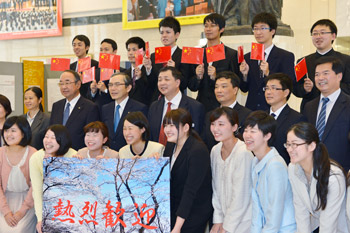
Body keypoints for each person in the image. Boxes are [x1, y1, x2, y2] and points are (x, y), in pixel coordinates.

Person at [287, 122, 349, 232]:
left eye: (295, 144)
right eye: (288, 144)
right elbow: (301, 212)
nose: (290, 149)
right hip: (318, 224)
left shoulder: (333, 177)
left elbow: (328, 225)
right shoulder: (293, 168)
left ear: (311, 146)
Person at [243, 111, 296, 232]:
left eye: (253, 131)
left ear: (267, 136)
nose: (247, 135)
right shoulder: (255, 161)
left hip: (284, 229)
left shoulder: (275, 165)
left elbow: (275, 211)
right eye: (246, 130)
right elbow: (256, 207)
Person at [163, 108, 213, 232]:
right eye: (165, 125)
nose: (167, 130)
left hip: (193, 212)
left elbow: (190, 191)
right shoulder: (170, 145)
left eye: (172, 125)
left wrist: (177, 227)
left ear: (185, 127)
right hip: (174, 207)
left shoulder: (197, 150)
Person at [240, 12, 296, 111]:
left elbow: (289, 86)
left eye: (263, 28)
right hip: (251, 110)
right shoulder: (248, 57)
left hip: (273, 110)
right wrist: (244, 75)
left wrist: (268, 73)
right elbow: (244, 89)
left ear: (272, 31)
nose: (258, 32)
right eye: (255, 28)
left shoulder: (285, 56)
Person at [209, 107, 253, 233]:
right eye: (213, 124)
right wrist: (218, 220)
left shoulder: (244, 152)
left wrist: (227, 226)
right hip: (223, 219)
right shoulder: (215, 150)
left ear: (234, 127)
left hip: (243, 222)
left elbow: (241, 196)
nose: (215, 129)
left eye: (221, 124)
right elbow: (216, 188)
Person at [302, 56, 350, 171]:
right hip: (312, 168)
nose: (320, 78)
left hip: (341, 169)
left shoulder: (348, 104)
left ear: (339, 76)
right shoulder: (309, 106)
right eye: (317, 74)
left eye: (325, 73)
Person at [293, 19, 350, 111]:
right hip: (310, 110)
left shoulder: (346, 60)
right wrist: (305, 89)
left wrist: (329, 85)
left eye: (322, 33)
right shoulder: (302, 61)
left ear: (333, 36)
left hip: (339, 109)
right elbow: (295, 88)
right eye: (315, 34)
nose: (318, 37)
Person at [187, 13, 239, 112]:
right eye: (206, 26)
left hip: (223, 107)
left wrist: (216, 77)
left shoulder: (231, 54)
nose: (208, 29)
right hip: (202, 106)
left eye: (213, 26)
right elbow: (192, 86)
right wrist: (198, 77)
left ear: (222, 29)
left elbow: (235, 82)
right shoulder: (197, 53)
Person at [29, 125, 77, 233]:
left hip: (69, 209)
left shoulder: (73, 155)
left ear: (62, 140)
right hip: (48, 209)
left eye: (53, 138)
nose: (48, 141)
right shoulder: (36, 157)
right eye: (46, 136)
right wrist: (41, 219)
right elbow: (37, 191)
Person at [148, 66, 204, 145]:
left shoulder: (195, 107)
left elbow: (196, 137)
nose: (162, 83)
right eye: (159, 80)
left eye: (166, 79)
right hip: (157, 155)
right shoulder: (154, 107)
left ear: (177, 82)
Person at [0, 116, 37, 232]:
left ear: (24, 133)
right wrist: (6, 212)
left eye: (13, 131)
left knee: (19, 230)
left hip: (28, 202)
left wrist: (22, 211)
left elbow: (35, 186)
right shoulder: (0, 152)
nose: (8, 134)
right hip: (4, 201)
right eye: (6, 130)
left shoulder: (33, 153)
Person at [50, 70, 100, 150]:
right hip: (57, 154)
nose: (64, 87)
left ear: (78, 84)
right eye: (61, 84)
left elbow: (92, 136)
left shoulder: (90, 107)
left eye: (67, 83)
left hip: (78, 156)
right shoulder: (56, 106)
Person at [202, 71, 251, 150]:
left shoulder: (247, 115)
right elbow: (204, 142)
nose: (219, 90)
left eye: (224, 86)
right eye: (216, 87)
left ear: (235, 90)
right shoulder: (209, 115)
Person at [143, 16, 187, 102]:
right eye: (162, 32)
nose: (164, 35)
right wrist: (148, 69)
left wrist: (174, 70)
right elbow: (151, 84)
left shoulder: (183, 55)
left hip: (176, 101)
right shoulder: (154, 56)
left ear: (177, 35)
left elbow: (185, 84)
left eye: (168, 32)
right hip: (157, 101)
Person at [265, 73, 305, 163]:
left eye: (274, 88)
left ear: (286, 92)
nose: (268, 92)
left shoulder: (297, 119)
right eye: (267, 88)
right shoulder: (262, 116)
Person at [101, 72, 148, 151]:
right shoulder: (105, 108)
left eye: (117, 84)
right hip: (109, 156)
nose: (113, 88)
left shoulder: (139, 108)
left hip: (130, 154)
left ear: (128, 88)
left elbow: (144, 136)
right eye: (110, 85)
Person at [88, 38, 119, 109]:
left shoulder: (120, 72)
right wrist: (93, 91)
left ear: (114, 52)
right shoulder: (95, 72)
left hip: (113, 109)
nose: (103, 52)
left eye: (106, 49)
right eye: (101, 50)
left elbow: (122, 94)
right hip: (97, 109)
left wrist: (105, 90)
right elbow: (88, 96)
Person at [125, 36, 149, 105]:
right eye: (128, 50)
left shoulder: (148, 71)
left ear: (143, 52)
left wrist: (139, 78)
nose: (130, 53)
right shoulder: (125, 74)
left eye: (134, 50)